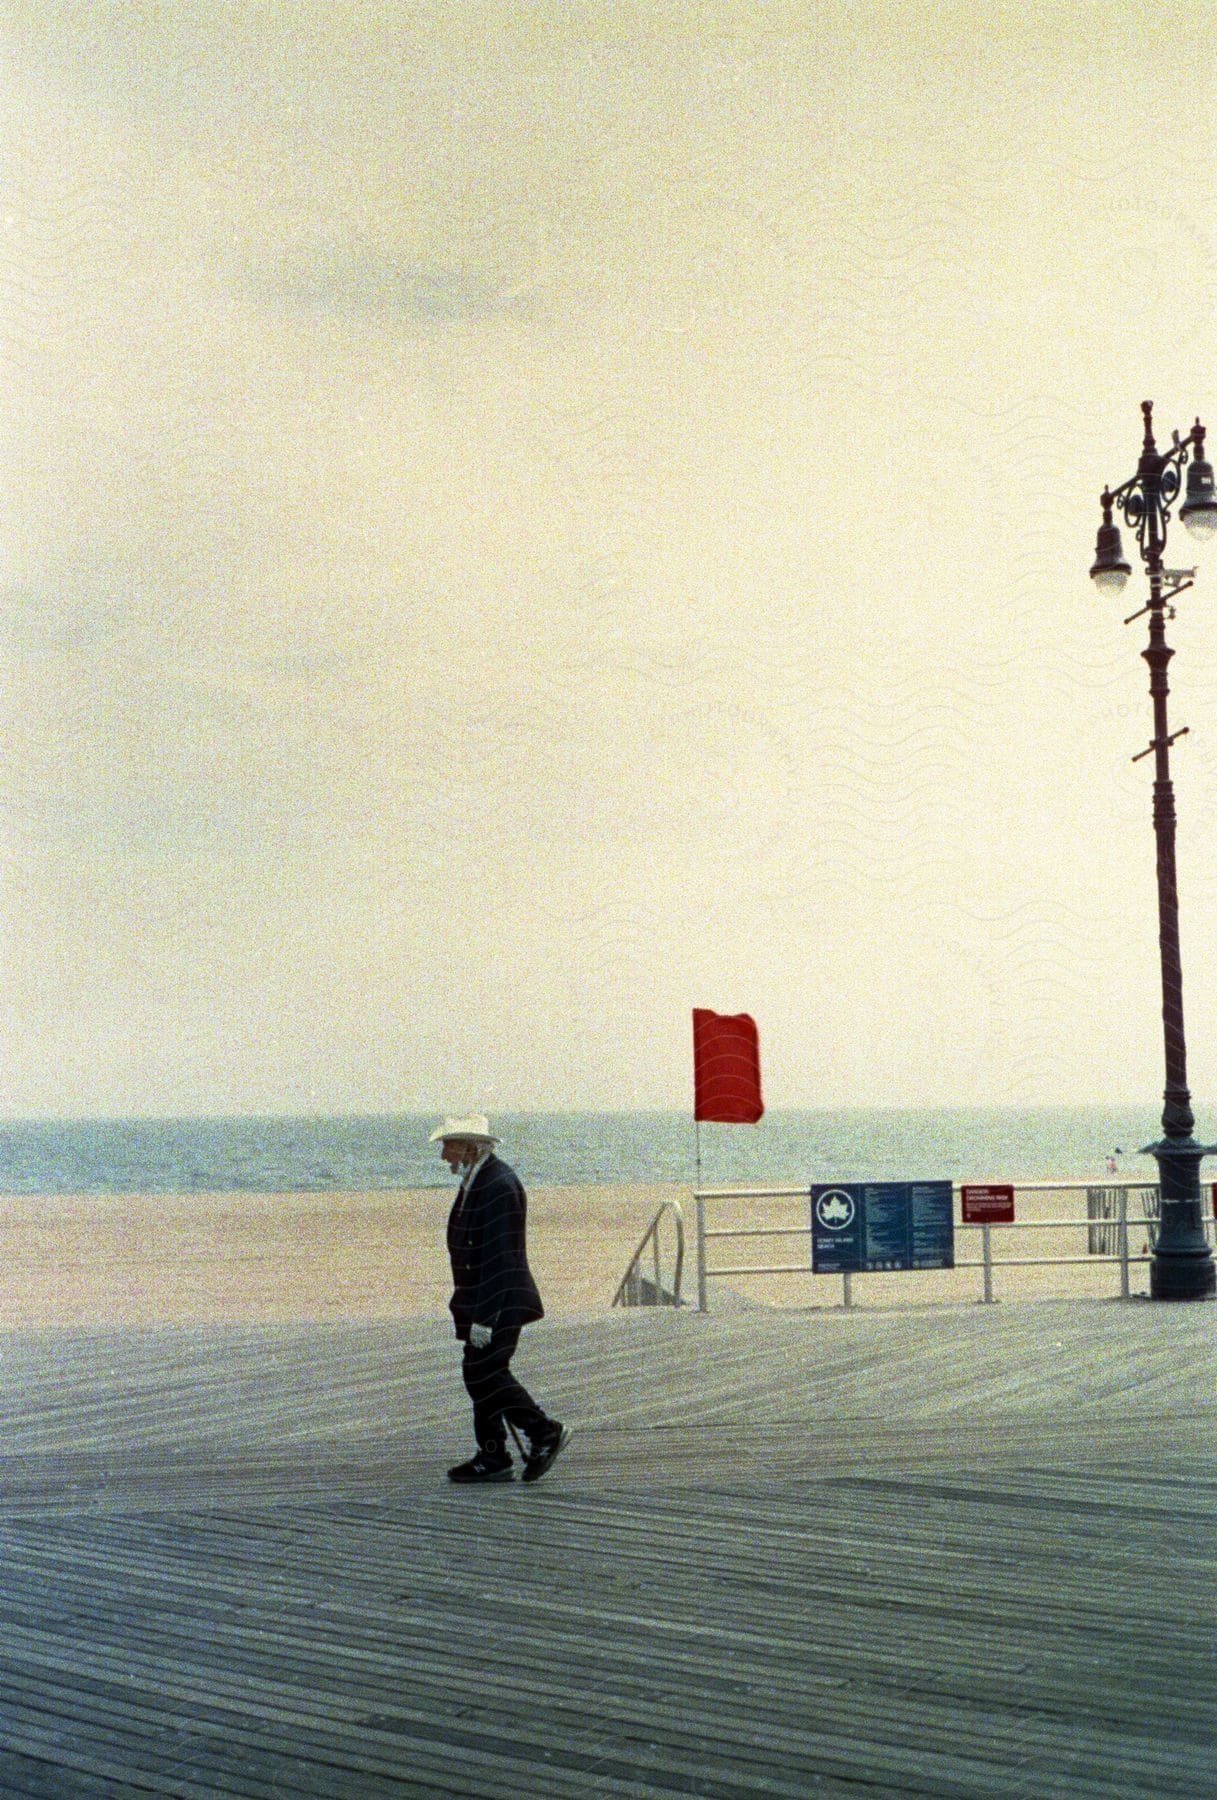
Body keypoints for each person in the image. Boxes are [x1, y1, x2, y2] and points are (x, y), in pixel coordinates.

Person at [431, 1114, 570, 1485]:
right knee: (479, 1373)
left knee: (485, 1372)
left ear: (469, 1146)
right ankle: (493, 1456)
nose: (444, 1154)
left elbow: (501, 1256)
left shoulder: (499, 1184)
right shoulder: (478, 1178)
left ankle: (543, 1432)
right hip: (481, 1300)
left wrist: (485, 1318)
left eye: (448, 1145)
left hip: (500, 1301)